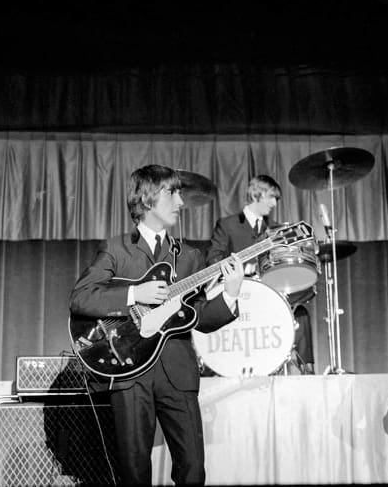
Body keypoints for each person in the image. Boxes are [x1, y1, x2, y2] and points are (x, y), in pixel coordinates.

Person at [69, 164, 244, 485]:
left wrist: (231, 294)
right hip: (129, 370)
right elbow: (81, 298)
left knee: (193, 471)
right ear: (147, 198)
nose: (180, 201)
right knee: (134, 473)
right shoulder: (117, 248)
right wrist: (135, 293)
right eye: (172, 192)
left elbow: (200, 318)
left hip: (178, 373)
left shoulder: (190, 256)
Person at [205, 175, 315, 374]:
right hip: (238, 296)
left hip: (266, 296)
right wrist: (241, 267)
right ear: (258, 194)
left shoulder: (274, 230)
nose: (274, 203)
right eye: (271, 197)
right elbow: (213, 259)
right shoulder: (228, 224)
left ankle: (305, 372)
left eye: (276, 199)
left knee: (300, 314)